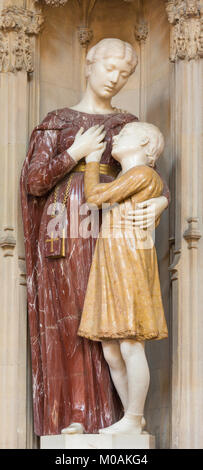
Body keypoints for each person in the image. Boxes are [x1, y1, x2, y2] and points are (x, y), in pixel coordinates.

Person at [20, 38, 169, 436]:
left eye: (125, 74)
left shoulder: (126, 126)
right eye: (109, 68)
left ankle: (112, 420)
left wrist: (159, 206)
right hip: (64, 236)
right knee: (70, 323)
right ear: (88, 64)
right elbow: (34, 181)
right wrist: (75, 153)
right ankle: (72, 416)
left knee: (112, 326)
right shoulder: (57, 121)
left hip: (110, 237)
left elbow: (150, 180)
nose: (116, 78)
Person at [78, 121, 168, 434]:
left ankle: (132, 417)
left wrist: (91, 161)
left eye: (124, 133)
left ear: (144, 142)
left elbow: (96, 196)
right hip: (114, 256)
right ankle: (134, 418)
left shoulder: (141, 174)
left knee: (130, 344)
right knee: (111, 348)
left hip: (129, 256)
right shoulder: (130, 176)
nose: (115, 136)